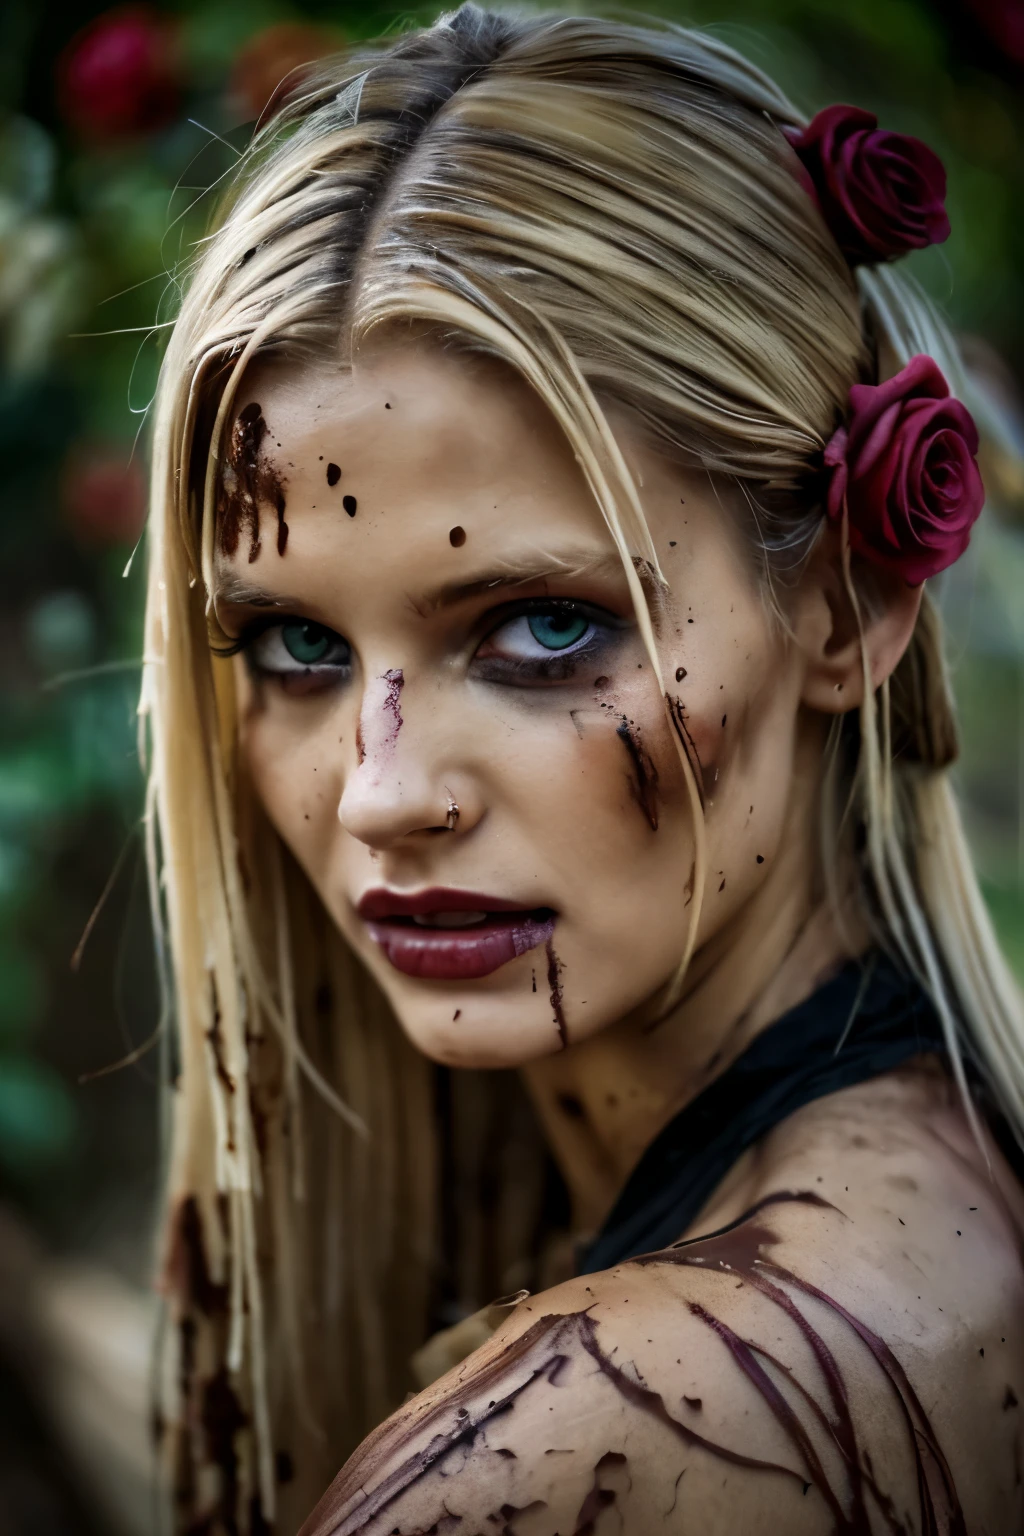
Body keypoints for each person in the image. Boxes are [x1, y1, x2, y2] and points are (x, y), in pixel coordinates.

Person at [143, 6, 1024, 1531]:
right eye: (294, 647)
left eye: (544, 628)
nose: (381, 792)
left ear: (850, 606)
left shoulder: (573, 1453)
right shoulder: (960, 1194)